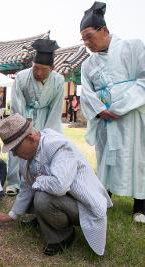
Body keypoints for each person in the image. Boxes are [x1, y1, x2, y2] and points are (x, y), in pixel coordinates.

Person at [0, 114, 112, 256]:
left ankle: (63, 236)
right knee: (36, 193)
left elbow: (59, 186)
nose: (14, 155)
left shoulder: (59, 147)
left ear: (30, 138)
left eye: (15, 149)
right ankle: (43, 220)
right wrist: (11, 216)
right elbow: (27, 186)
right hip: (66, 200)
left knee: (42, 198)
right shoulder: (27, 154)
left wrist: (39, 180)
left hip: (84, 205)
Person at [79, 1, 145, 223]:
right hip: (106, 118)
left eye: (89, 36)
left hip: (131, 115)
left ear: (104, 30)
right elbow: (86, 93)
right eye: (83, 39)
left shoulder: (133, 47)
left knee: (137, 157)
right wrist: (100, 111)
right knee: (106, 156)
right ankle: (104, 196)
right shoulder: (88, 64)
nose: (87, 43)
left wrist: (122, 106)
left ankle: (141, 205)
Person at [5, 38, 65, 197]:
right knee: (18, 146)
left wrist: (45, 133)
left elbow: (56, 109)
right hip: (24, 117)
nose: (38, 73)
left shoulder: (59, 81)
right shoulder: (21, 77)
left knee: (47, 147)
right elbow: (17, 103)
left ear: (51, 68)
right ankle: (13, 182)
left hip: (47, 117)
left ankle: (42, 180)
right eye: (35, 68)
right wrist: (25, 128)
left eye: (43, 69)